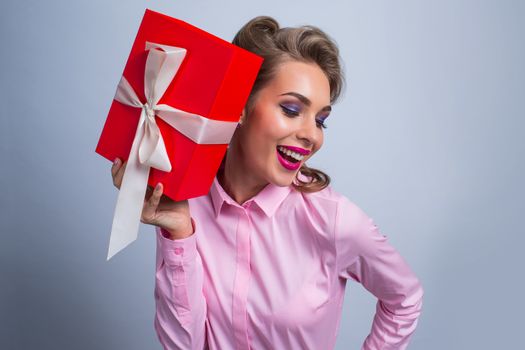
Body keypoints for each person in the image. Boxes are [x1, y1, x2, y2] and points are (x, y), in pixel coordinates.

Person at [111, 16, 424, 350]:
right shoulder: (188, 202)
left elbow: (405, 298)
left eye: (321, 121)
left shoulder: (335, 220)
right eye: (291, 109)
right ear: (240, 106)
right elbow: (183, 345)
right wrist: (178, 233)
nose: (311, 135)